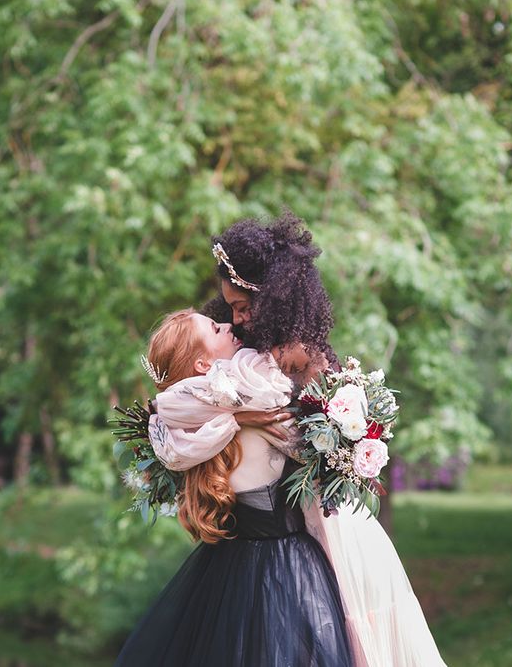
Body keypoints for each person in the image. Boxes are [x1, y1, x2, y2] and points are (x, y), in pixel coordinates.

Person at [153, 213, 448, 667]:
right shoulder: (232, 379)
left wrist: (245, 412)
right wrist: (239, 412)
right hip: (272, 561)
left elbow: (298, 433)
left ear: (269, 297)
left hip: (320, 539)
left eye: (240, 304)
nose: (233, 318)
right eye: (226, 309)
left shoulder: (294, 359)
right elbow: (175, 402)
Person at [115, 309, 355, 667]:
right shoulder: (262, 402)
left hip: (227, 568)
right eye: (215, 328)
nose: (228, 324)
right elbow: (313, 447)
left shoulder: (181, 431)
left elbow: (169, 407)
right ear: (201, 364)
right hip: (286, 564)